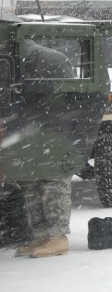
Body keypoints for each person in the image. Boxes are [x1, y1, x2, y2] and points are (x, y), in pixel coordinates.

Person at [13, 40, 75, 258]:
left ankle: (58, 238)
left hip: (52, 131)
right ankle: (42, 237)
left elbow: (69, 99)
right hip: (30, 130)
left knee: (53, 183)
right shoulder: (16, 62)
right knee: (31, 184)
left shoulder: (52, 60)